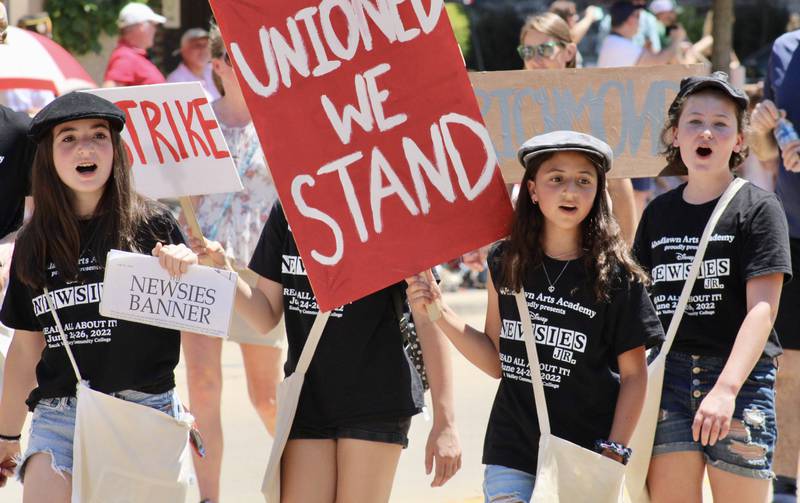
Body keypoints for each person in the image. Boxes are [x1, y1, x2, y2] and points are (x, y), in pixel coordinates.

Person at [407, 130, 660, 501]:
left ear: (599, 192)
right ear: (532, 190)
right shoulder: (505, 261)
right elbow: (496, 360)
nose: (570, 191)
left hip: (584, 455)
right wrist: (439, 312)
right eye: (556, 179)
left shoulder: (619, 276)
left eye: (583, 181)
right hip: (512, 449)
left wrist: (615, 449)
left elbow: (635, 376)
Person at [193, 200, 462, 501]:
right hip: (307, 397)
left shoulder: (390, 202)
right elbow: (265, 315)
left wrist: (446, 423)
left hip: (376, 398)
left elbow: (429, 319)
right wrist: (223, 270)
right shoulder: (287, 208)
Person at [0, 92, 198, 499]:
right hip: (59, 416)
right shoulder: (33, 242)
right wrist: (4, 434)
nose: (85, 147)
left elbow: (204, 314)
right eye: (68, 138)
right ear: (48, 157)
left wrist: (188, 268)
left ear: (115, 150)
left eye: (98, 136)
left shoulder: (153, 224)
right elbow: (25, 347)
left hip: (144, 412)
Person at [634, 72, 792, 502]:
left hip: (740, 381)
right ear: (674, 134)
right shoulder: (657, 214)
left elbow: (763, 310)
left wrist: (725, 389)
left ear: (740, 141)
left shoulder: (759, 208)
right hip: (668, 380)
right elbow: (639, 306)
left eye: (721, 123)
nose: (707, 131)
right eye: (694, 121)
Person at [179, 23, 282, 503]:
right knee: (201, 387)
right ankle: (209, 498)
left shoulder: (281, 122)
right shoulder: (197, 121)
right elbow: (180, 198)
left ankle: (297, 481)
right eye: (237, 57)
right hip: (200, 263)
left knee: (266, 394)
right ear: (217, 66)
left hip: (258, 269)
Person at [517, 12, 640, 245]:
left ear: (569, 52)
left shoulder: (593, 105)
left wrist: (626, 254)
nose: (535, 59)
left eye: (544, 50)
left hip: (588, 239)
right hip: (530, 239)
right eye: (528, 51)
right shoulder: (513, 110)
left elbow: (619, 183)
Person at [748, 29, 800, 503]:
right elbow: (765, 156)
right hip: (794, 229)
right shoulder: (783, 50)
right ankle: (785, 486)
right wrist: (765, 131)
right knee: (789, 367)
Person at [102, 2, 166, 88]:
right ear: (142, 26)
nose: (155, 30)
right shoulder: (126, 56)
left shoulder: (130, 55)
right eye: (153, 25)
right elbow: (109, 93)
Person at [166, 28, 221, 102]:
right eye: (197, 45)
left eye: (206, 45)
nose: (203, 50)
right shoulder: (176, 80)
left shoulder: (214, 70)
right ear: (183, 51)